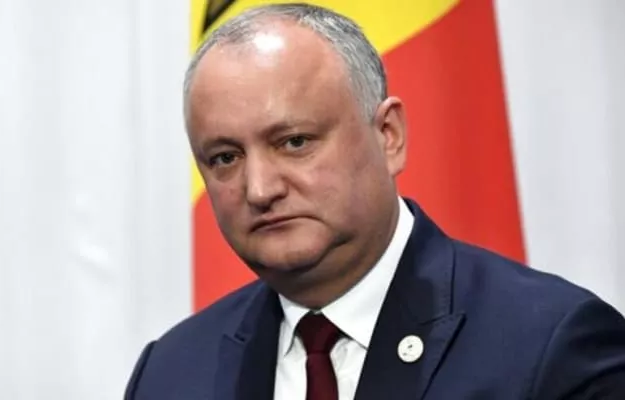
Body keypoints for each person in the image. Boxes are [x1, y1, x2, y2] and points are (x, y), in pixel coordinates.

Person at [125, 4, 625, 399]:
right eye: (225, 157)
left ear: (388, 135)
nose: (259, 188)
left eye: (294, 142)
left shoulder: (551, 346)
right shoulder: (170, 375)